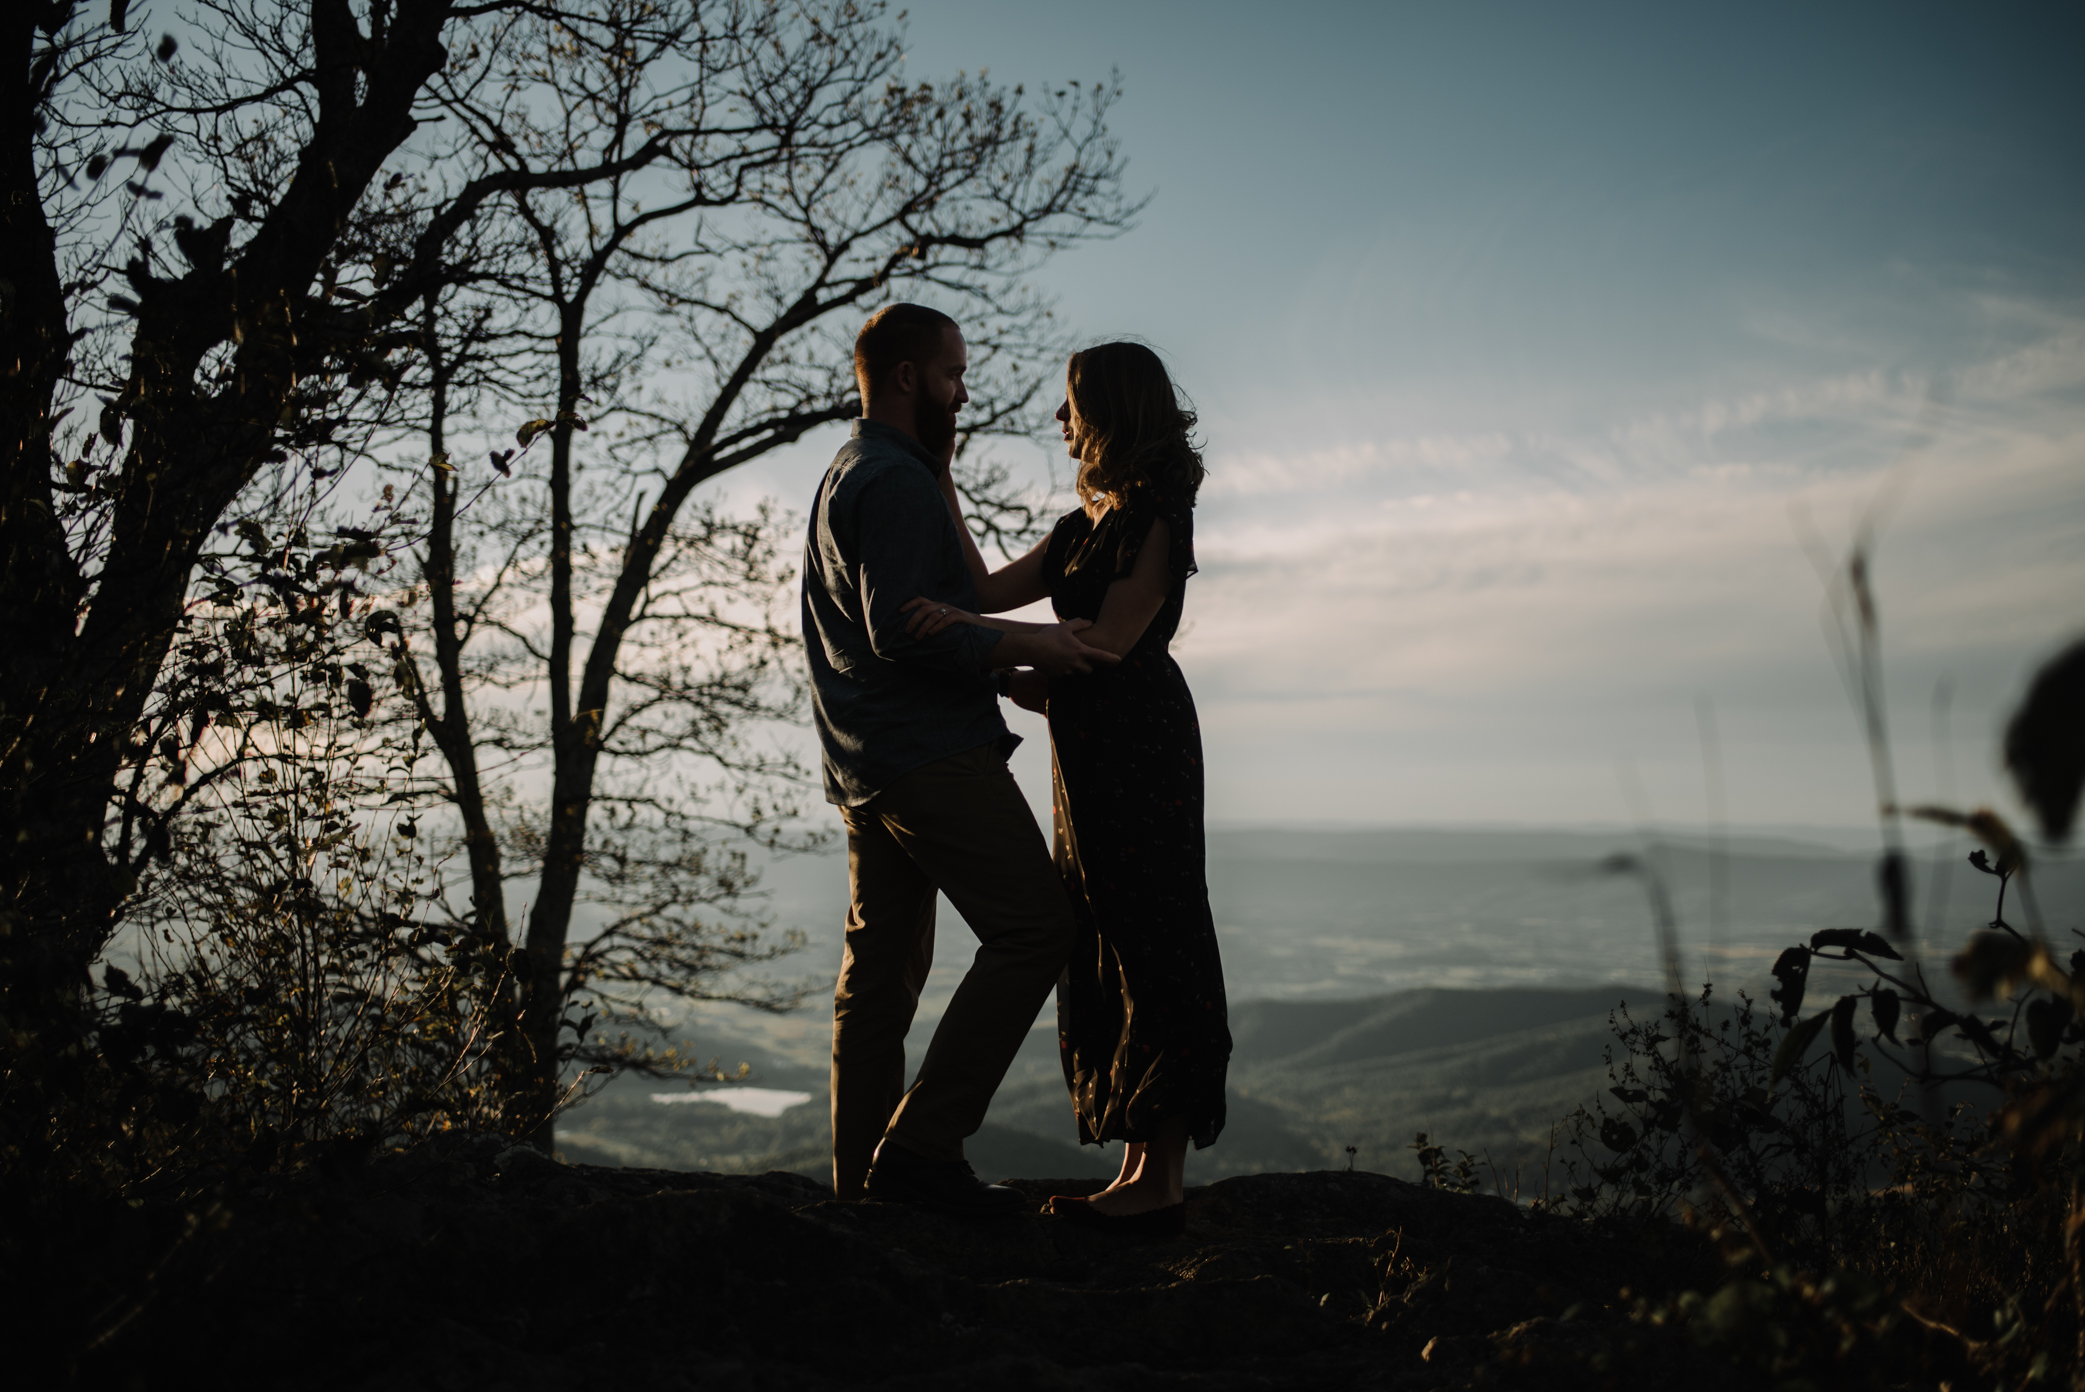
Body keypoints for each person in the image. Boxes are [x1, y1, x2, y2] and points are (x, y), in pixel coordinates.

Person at [902, 340, 1231, 1236]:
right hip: (1084, 748)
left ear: (1111, 412)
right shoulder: (1079, 529)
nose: (1059, 421)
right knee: (1103, 935)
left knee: (1154, 932)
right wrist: (939, 479)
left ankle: (1159, 1176)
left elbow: (1111, 647)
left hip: (1141, 747)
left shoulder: (1156, 515)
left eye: (1071, 404)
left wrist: (977, 645)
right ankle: (1136, 1164)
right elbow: (978, 588)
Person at [804, 303, 1120, 1215]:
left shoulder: (852, 470)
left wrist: (998, 645)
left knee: (876, 987)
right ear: (907, 377)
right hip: (930, 756)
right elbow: (901, 626)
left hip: (864, 763)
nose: (963, 389)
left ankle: (861, 1193)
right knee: (1036, 928)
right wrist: (1033, 649)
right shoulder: (893, 482)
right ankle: (920, 1150)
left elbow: (920, 612)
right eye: (952, 374)